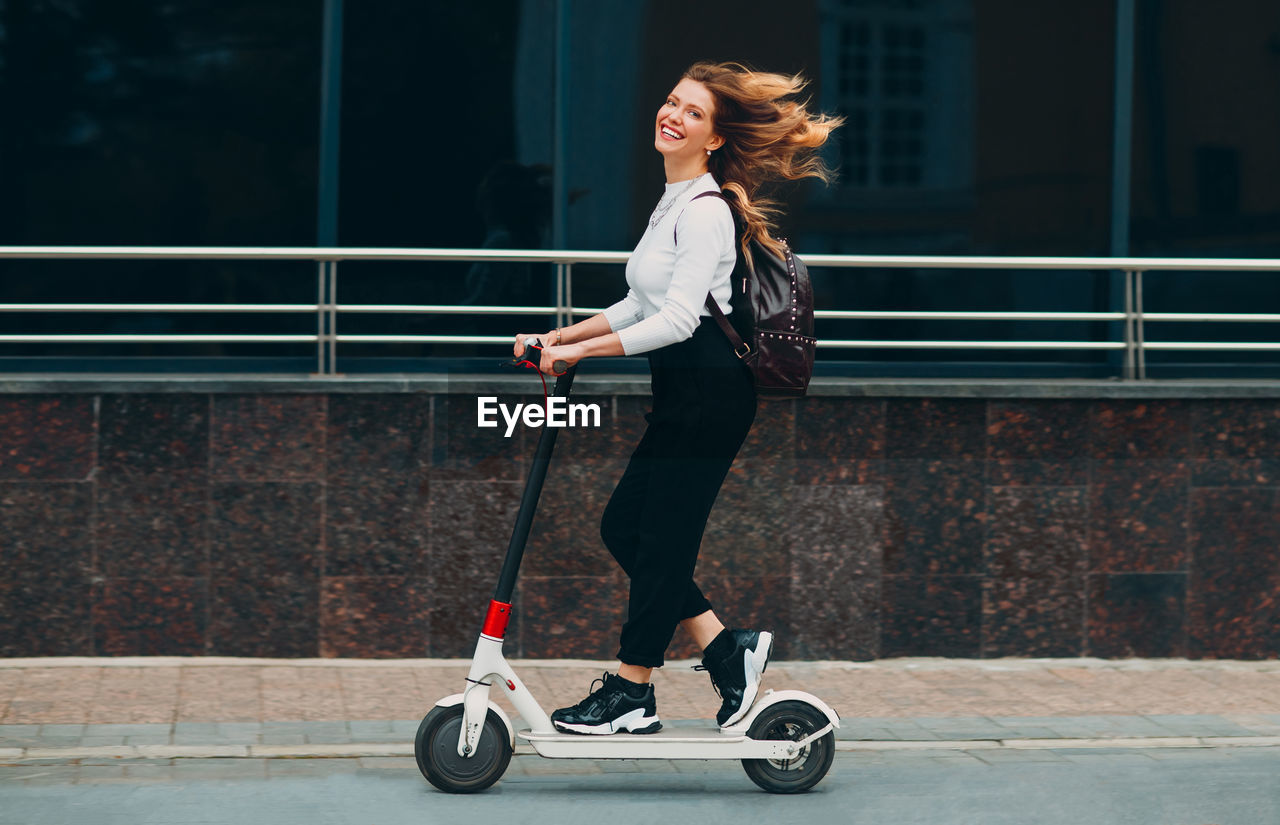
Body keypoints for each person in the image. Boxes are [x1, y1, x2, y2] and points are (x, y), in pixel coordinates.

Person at [513, 61, 840, 735]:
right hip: (683, 394)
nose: (673, 115)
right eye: (671, 102)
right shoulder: (673, 200)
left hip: (711, 394)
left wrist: (577, 355)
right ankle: (727, 650)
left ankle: (632, 691)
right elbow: (639, 300)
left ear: (714, 138)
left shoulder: (708, 212)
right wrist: (559, 333)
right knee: (626, 527)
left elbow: (678, 319)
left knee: (661, 537)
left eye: (693, 112)